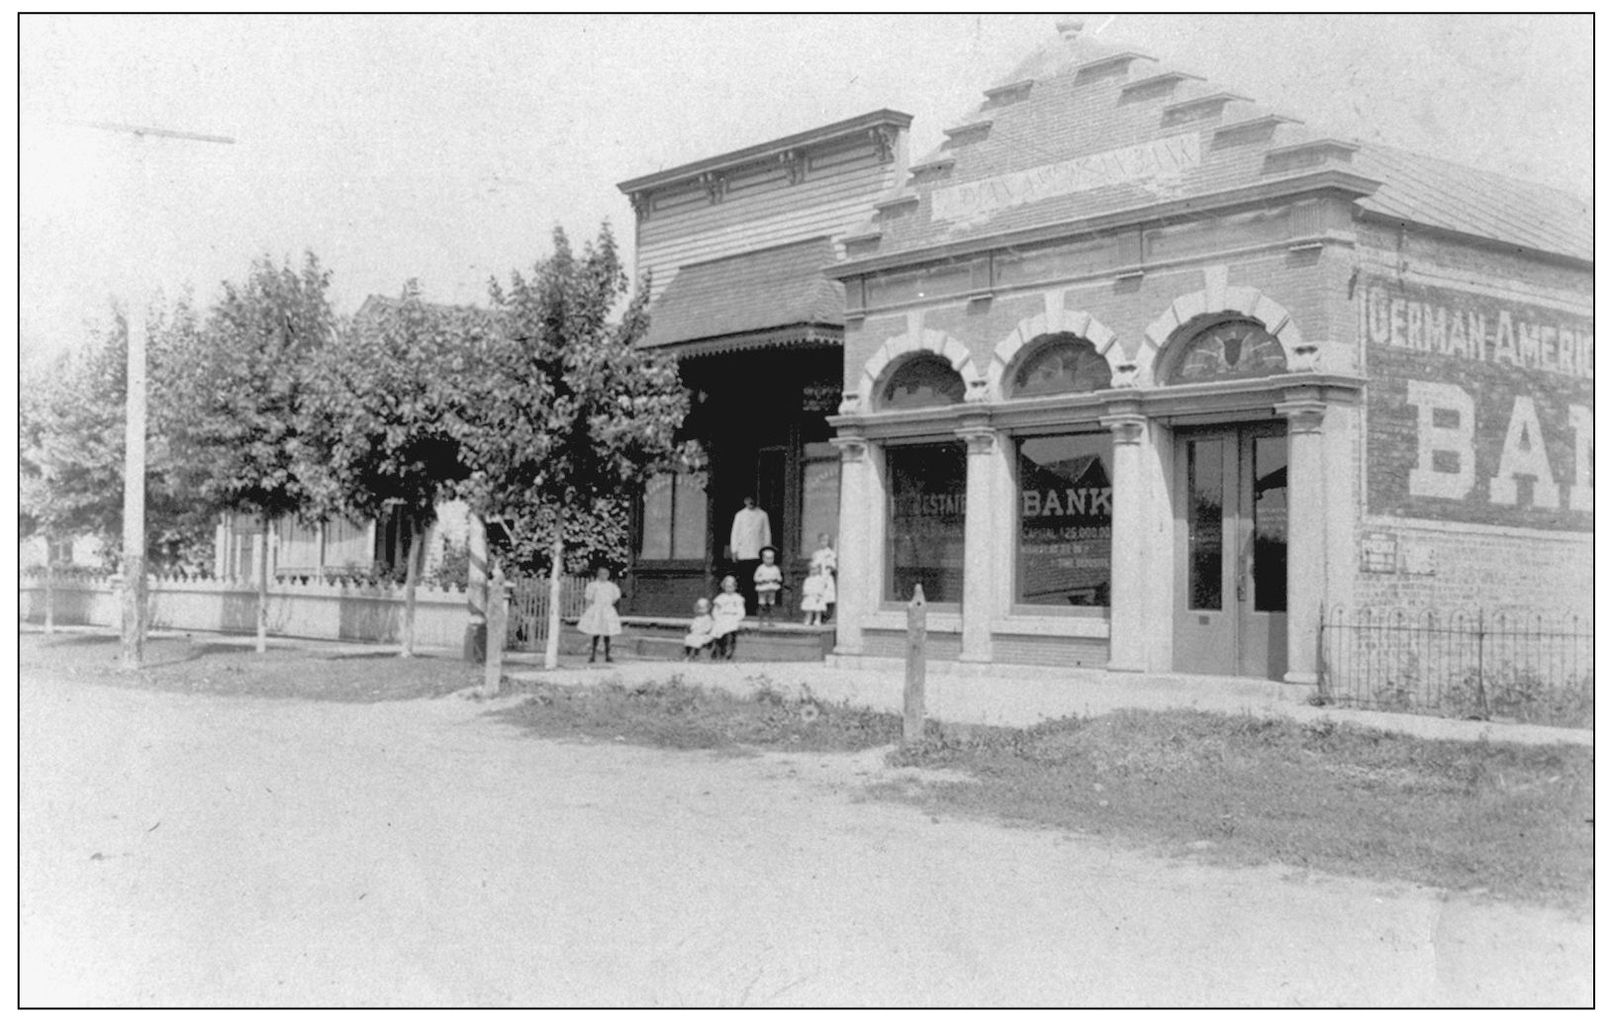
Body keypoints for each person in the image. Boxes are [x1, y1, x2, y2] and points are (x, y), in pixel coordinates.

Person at [728, 495, 771, 616]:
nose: (750, 502)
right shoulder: (740, 515)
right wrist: (734, 551)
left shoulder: (762, 515)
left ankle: (757, 607)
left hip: (757, 553)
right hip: (743, 553)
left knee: (757, 581)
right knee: (744, 581)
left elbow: (766, 533)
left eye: (752, 500)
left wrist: (766, 550)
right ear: (745, 501)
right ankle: (746, 609)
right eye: (748, 500)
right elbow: (735, 533)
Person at [576, 565, 622, 664]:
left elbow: (615, 597)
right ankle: (592, 655)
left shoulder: (611, 586)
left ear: (608, 575)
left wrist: (608, 606)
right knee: (596, 633)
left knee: (607, 633)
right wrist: (591, 609)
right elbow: (589, 598)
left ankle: (607, 655)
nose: (603, 576)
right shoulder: (593, 585)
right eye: (601, 574)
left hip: (607, 610)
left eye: (606, 574)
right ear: (598, 574)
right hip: (597, 610)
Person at [801, 533, 836, 626]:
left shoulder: (830, 553)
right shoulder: (816, 554)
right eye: (822, 541)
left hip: (825, 577)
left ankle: (823, 618)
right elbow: (813, 565)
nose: (824, 543)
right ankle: (811, 618)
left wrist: (825, 576)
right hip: (815, 578)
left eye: (826, 541)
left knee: (825, 597)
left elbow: (831, 567)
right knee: (812, 597)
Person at [710, 575, 746, 660]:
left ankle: (728, 650)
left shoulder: (737, 598)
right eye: (727, 587)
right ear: (724, 587)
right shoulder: (721, 598)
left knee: (730, 630)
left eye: (731, 587)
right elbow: (716, 610)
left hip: (732, 617)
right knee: (717, 630)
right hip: (722, 617)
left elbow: (741, 611)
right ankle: (717, 649)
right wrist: (716, 617)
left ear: (735, 587)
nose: (729, 589)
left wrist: (738, 618)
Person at [753, 547, 782, 627]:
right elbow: (755, 578)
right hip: (763, 588)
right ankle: (761, 621)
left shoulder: (775, 568)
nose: (769, 560)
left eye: (771, 558)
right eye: (767, 558)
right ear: (763, 558)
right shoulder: (761, 568)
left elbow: (780, 578)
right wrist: (762, 579)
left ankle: (770, 621)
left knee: (771, 605)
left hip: (772, 588)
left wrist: (776, 579)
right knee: (762, 605)